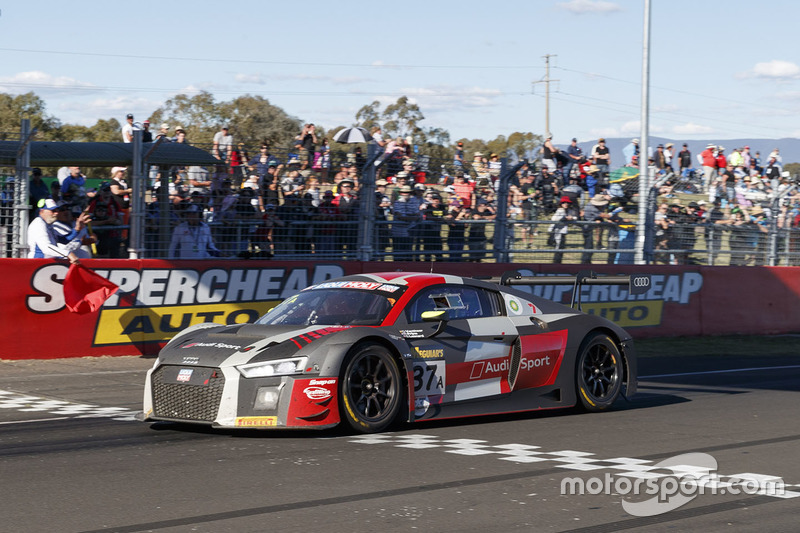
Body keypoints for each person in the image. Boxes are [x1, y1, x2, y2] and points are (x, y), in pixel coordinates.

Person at [26, 198, 80, 263]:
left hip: (47, 263)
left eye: (57, 210)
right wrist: (67, 253)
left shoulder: (48, 224)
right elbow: (46, 247)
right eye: (53, 211)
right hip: (38, 262)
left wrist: (77, 229)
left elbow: (63, 240)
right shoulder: (38, 224)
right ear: (42, 211)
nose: (56, 213)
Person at [87, 183, 124, 258]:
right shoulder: (95, 202)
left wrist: (114, 222)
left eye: (108, 190)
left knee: (114, 256)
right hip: (97, 235)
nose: (107, 192)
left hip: (112, 235)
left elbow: (121, 221)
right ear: (101, 191)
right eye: (105, 190)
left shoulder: (114, 203)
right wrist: (105, 222)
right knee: (97, 255)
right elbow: (89, 221)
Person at [549, 196, 578, 264]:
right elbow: (553, 219)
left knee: (561, 246)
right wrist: (564, 218)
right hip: (556, 231)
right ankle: (556, 262)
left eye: (567, 202)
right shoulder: (560, 210)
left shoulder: (569, 210)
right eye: (564, 202)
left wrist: (572, 218)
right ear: (561, 204)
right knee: (558, 247)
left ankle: (558, 262)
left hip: (563, 231)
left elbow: (575, 217)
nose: (566, 204)